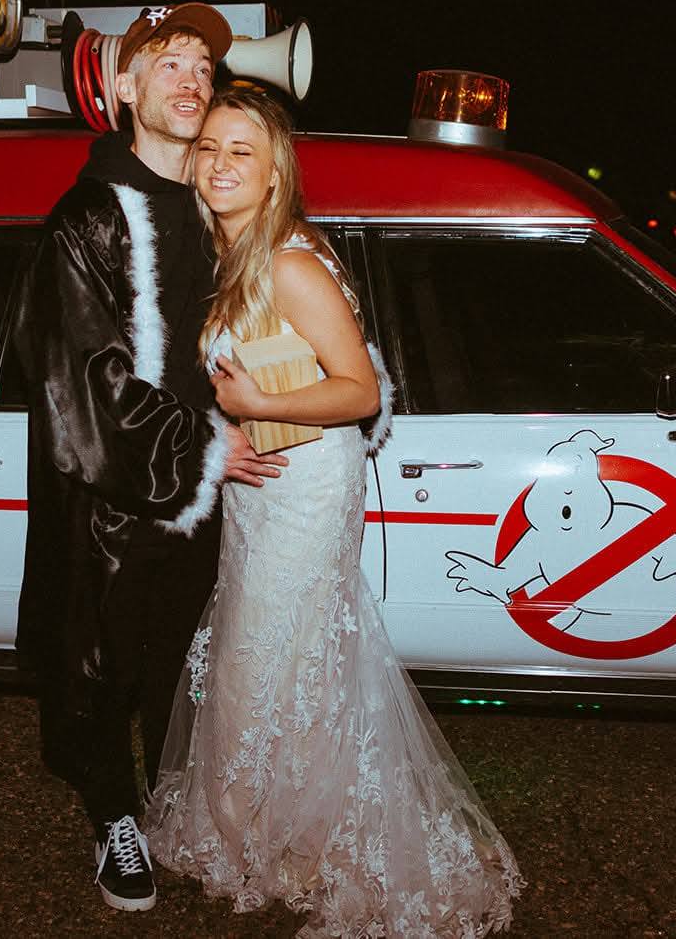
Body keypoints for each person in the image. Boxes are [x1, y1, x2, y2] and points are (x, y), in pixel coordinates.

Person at [146, 88, 525, 936]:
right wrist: (228, 423)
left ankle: (298, 834)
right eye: (209, 147)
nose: (218, 165)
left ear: (274, 171)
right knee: (259, 648)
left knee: (282, 648)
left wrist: (252, 403)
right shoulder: (232, 252)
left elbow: (359, 392)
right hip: (266, 479)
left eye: (241, 151)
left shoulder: (288, 263)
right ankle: (263, 822)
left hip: (307, 483)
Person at [10, 3, 284, 914]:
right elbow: (85, 381)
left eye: (203, 66)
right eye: (168, 63)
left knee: (186, 668)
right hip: (111, 507)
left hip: (211, 496)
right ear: (124, 88)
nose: (192, 80)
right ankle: (113, 819)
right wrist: (205, 447)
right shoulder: (86, 220)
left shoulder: (217, 204)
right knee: (101, 671)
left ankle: (182, 811)